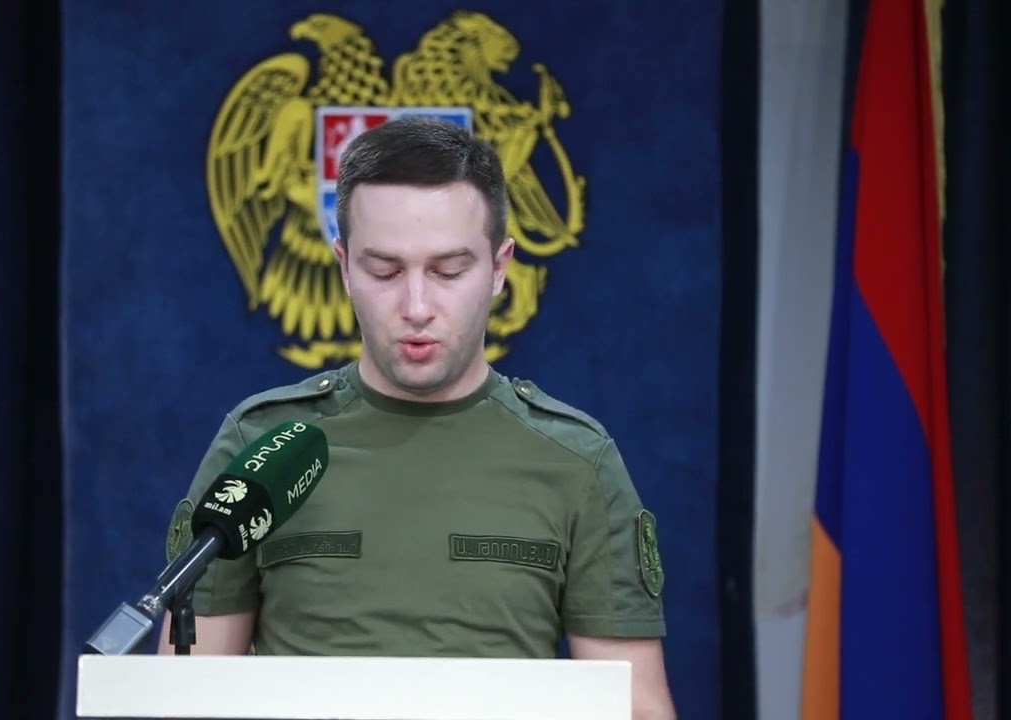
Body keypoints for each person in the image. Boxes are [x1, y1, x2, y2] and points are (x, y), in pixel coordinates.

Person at [160, 116, 676, 718]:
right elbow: (181, 698)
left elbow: (635, 707)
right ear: (344, 266)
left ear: (500, 268)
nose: (416, 306)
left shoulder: (576, 461)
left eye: (448, 271)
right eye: (384, 271)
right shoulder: (265, 445)